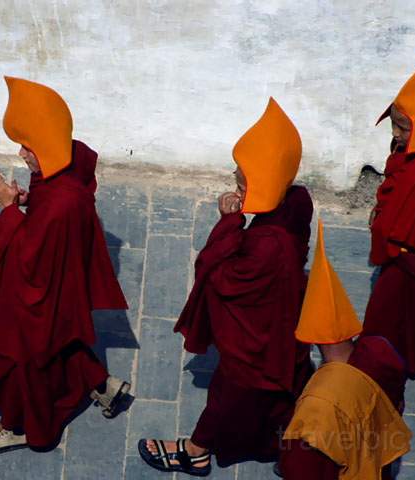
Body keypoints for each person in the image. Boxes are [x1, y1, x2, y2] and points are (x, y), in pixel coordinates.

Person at [138, 98, 314, 476]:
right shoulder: (298, 200)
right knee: (281, 391)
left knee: (228, 395)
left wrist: (227, 224)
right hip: (287, 322)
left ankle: (196, 451)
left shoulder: (268, 245)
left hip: (256, 340)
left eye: (241, 179)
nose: (235, 183)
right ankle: (277, 439)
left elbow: (218, 274)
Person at [0, 77, 131, 456]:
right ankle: (100, 384)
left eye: (28, 147)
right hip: (66, 279)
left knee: (27, 357)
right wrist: (27, 201)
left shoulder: (60, 202)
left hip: (45, 293)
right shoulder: (66, 169)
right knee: (59, 343)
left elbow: (28, 263)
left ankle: (24, 428)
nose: (23, 155)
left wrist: (8, 210)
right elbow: (46, 227)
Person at [279, 220, 412, 480]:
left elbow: (305, 469)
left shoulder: (318, 404)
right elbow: (398, 403)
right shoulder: (379, 349)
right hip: (378, 447)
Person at [362, 47, 415, 379]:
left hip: (414, 258)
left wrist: (387, 231)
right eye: (395, 125)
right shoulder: (413, 147)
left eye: (403, 128)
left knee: (392, 313)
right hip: (405, 251)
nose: (395, 135)